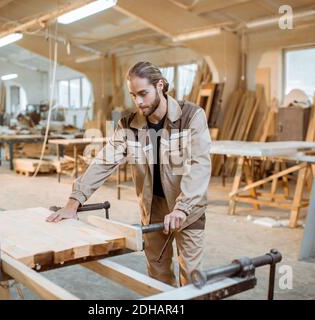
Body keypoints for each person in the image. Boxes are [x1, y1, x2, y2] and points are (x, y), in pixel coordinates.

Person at [46, 61, 212, 286]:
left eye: (143, 93)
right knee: (158, 273)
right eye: (134, 95)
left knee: (192, 276)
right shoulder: (128, 125)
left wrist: (182, 207)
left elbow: (199, 164)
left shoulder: (191, 115)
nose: (139, 102)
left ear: (160, 85)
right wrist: (73, 202)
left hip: (189, 208)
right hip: (152, 208)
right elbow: (104, 161)